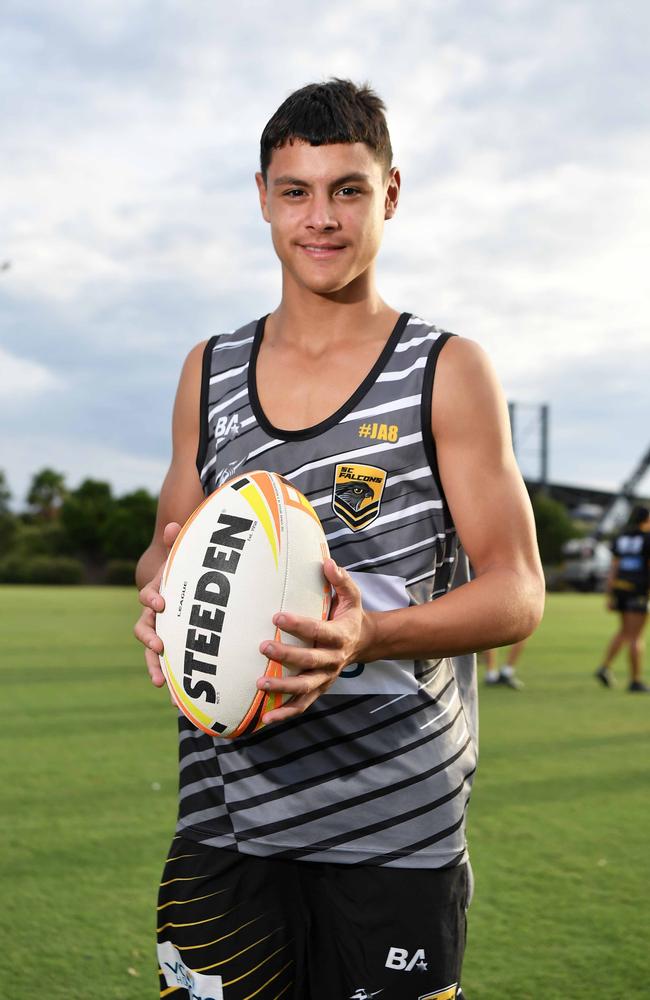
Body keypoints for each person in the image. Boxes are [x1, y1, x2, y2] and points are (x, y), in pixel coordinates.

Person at [134, 79, 545, 1000]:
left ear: (389, 194)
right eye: (297, 192)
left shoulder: (445, 368)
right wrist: (161, 589)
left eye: (348, 190)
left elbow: (519, 588)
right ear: (263, 197)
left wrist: (371, 634)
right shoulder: (210, 370)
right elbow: (167, 543)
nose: (321, 219)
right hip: (228, 817)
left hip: (395, 821)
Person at [595, 504, 650, 692]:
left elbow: (614, 569)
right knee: (636, 637)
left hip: (620, 590)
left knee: (625, 632)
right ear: (646, 519)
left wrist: (609, 594)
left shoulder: (621, 538)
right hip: (639, 592)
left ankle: (604, 667)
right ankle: (635, 681)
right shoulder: (647, 538)